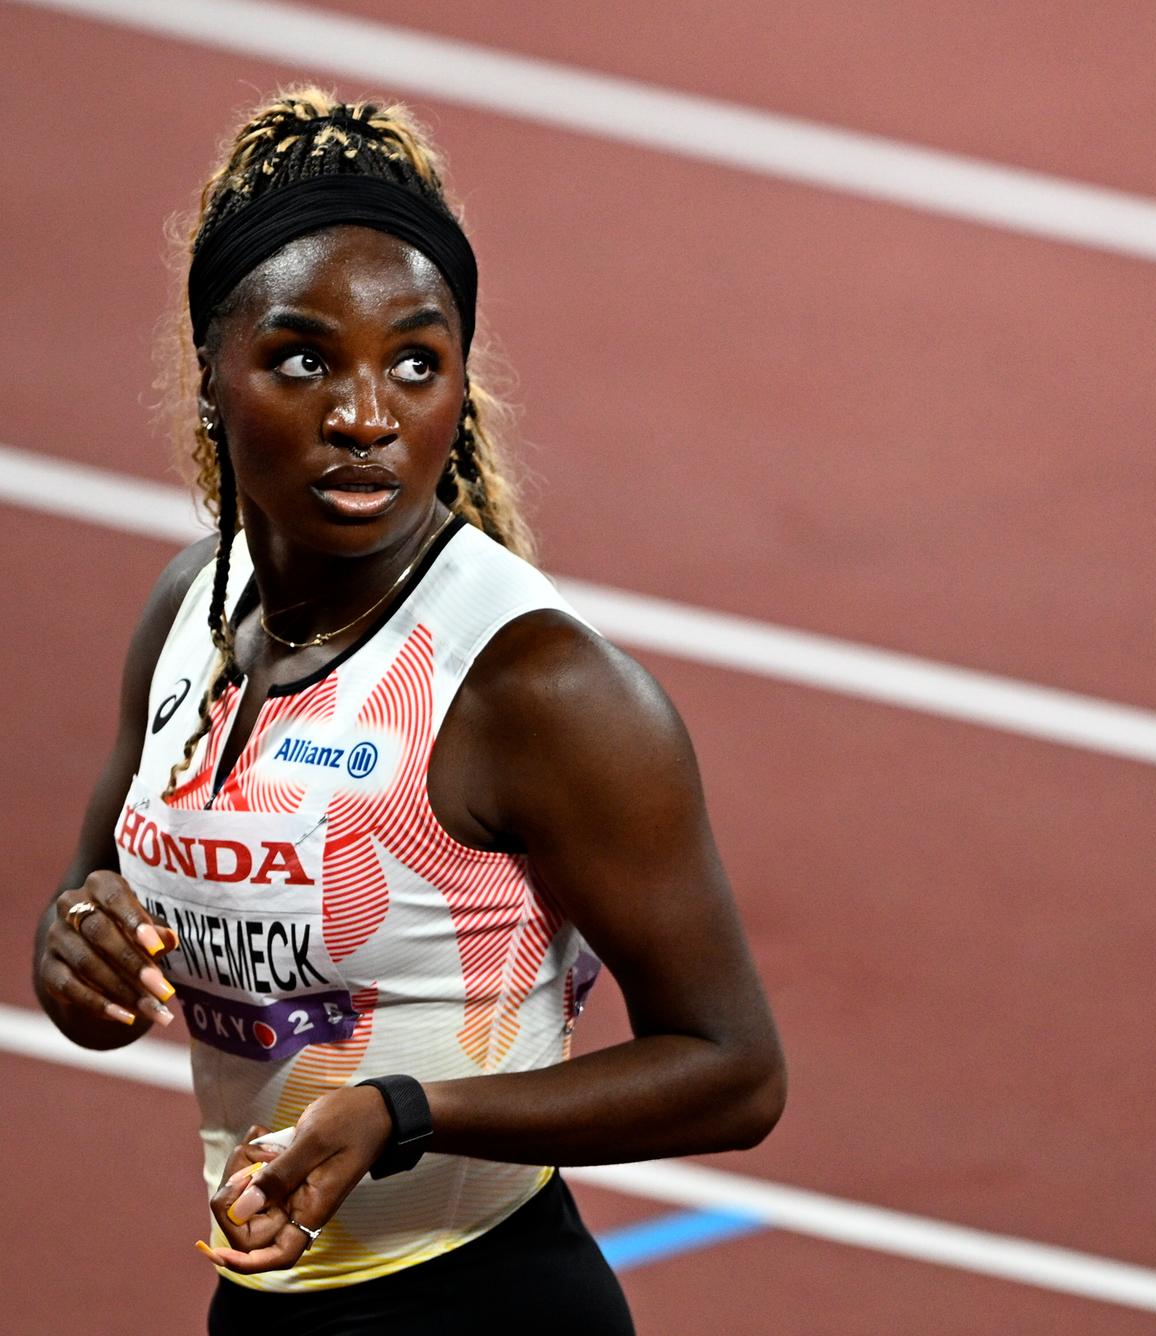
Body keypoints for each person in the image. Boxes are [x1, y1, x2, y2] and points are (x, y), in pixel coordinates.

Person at [28, 88, 785, 1334]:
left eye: (416, 362)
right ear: (211, 373)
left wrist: (407, 1110)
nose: (366, 416)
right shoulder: (185, 614)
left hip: (484, 1303)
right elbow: (90, 933)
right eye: (304, 357)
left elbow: (735, 1071)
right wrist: (76, 951)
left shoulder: (533, 686)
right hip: (265, 1299)